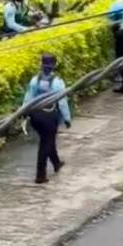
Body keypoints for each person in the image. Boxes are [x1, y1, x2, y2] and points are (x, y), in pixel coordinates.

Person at [23, 54, 71, 184]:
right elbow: (62, 102)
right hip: (49, 116)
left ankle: (56, 163)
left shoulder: (34, 80)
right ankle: (40, 175)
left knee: (47, 139)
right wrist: (67, 118)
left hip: (35, 116)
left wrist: (24, 112)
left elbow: (28, 98)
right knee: (46, 143)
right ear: (54, 66)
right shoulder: (57, 82)